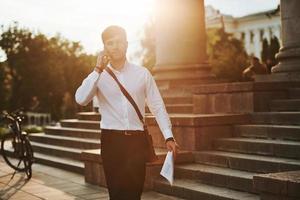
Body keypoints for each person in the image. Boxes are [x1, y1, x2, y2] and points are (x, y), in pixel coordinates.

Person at [75, 25, 179, 200]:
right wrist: (97, 70)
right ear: (104, 47)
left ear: (127, 44)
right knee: (116, 194)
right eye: (110, 43)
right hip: (111, 141)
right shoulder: (98, 76)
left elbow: (157, 106)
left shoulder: (142, 73)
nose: (115, 46)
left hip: (137, 142)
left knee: (134, 193)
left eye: (119, 42)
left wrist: (168, 136)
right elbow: (81, 99)